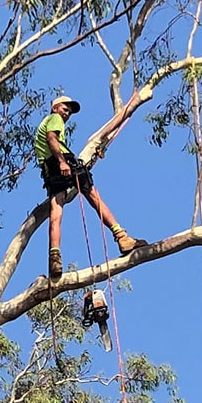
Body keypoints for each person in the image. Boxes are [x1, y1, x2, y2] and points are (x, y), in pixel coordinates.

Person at [34, 95, 147, 278]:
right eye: (65, 108)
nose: (67, 113)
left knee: (56, 210)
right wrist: (63, 162)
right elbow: (52, 139)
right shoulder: (54, 119)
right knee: (94, 197)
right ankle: (122, 237)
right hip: (61, 163)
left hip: (49, 170)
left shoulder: (44, 123)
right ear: (55, 108)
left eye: (69, 111)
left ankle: (54, 258)